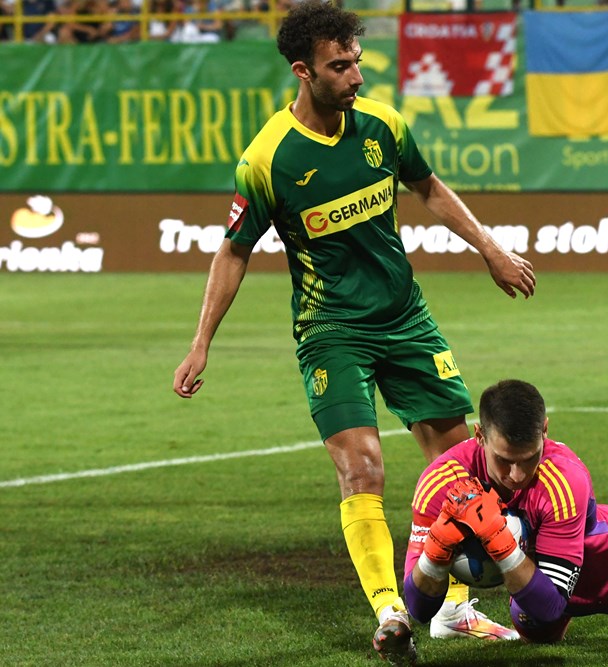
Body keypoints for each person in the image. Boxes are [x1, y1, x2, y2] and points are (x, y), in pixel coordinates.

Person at [171, 2, 536, 665]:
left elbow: (429, 187)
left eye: (357, 62)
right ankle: (391, 611)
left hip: (405, 319)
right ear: (302, 71)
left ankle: (455, 607)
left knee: (459, 468)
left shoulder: (381, 125)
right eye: (340, 66)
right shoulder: (268, 159)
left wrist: (490, 248)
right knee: (362, 467)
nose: (357, 77)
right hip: (332, 330)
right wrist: (201, 341)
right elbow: (234, 250)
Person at [403, 380, 608, 650]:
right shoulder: (442, 484)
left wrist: (499, 542)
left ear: (545, 431)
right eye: (504, 461)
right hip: (539, 583)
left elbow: (551, 606)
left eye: (529, 458)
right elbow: (419, 610)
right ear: (479, 436)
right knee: (539, 636)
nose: (517, 475)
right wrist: (436, 550)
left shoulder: (564, 478)